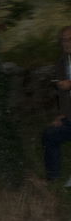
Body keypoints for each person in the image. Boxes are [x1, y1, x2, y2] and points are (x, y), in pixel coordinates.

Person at [41, 25, 71, 186]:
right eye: (63, 40)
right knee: (50, 134)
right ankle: (52, 177)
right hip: (69, 116)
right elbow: (62, 95)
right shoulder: (61, 62)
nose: (66, 43)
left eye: (70, 39)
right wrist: (60, 114)